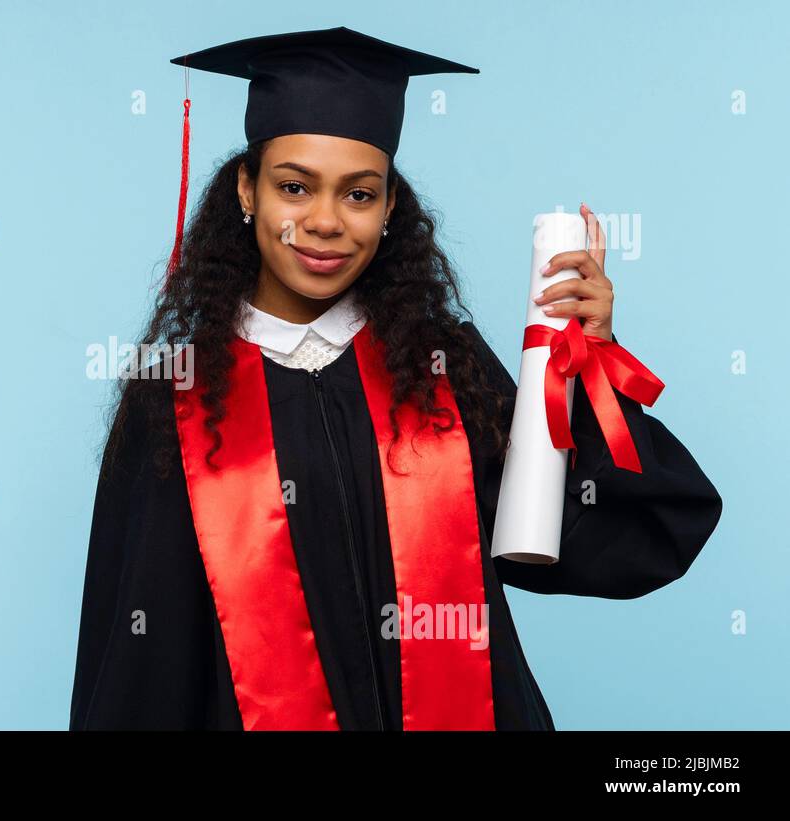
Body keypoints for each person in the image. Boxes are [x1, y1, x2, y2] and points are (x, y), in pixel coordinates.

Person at [69, 26, 722, 731]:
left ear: (388, 212)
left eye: (359, 194)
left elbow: (608, 539)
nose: (324, 221)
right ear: (246, 190)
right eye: (294, 186)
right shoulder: (178, 398)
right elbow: (140, 666)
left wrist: (590, 365)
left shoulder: (439, 368)